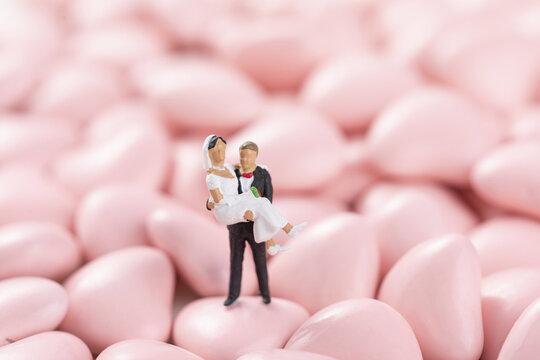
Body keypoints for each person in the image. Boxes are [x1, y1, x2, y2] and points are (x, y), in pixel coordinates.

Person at [203, 135, 306, 306]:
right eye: (242, 156)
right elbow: (216, 198)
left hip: (254, 224)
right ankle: (233, 295)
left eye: (249, 156)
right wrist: (210, 203)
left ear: (255, 157)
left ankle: (265, 293)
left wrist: (259, 217)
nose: (245, 160)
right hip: (236, 224)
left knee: (260, 261)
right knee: (236, 261)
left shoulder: (261, 173)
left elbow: (269, 198)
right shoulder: (228, 173)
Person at [203, 135, 306, 243]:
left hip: (236, 201)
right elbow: (219, 200)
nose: (221, 153)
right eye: (217, 150)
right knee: (258, 205)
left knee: (264, 202)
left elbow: (245, 165)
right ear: (209, 152)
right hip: (225, 210)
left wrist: (260, 169)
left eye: (223, 149)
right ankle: (271, 237)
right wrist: (242, 198)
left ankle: (288, 228)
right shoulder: (212, 177)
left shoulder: (229, 167)